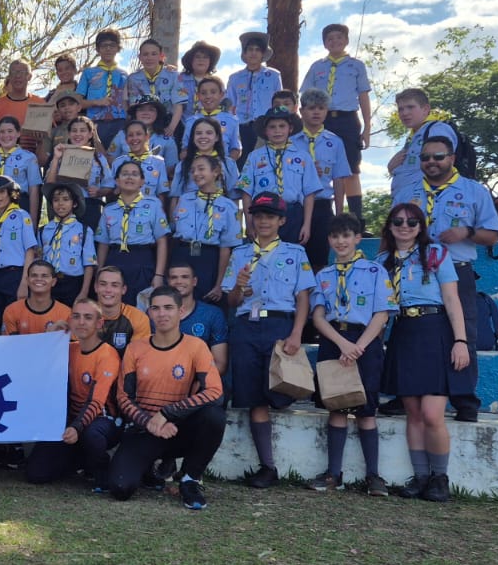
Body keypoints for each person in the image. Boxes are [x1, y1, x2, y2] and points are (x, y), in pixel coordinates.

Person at [398, 133, 498, 423]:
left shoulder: (473, 191)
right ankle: (405, 390)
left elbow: (492, 235)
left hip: (457, 267)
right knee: (410, 330)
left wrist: (465, 232)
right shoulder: (409, 191)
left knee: (463, 331)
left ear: (452, 158)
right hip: (414, 270)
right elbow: (392, 228)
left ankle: (464, 398)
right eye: (425, 157)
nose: (431, 162)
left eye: (438, 157)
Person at [220, 192, 315, 489]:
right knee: (253, 397)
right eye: (258, 216)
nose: (263, 221)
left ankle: (282, 400)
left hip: (279, 323)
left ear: (281, 221)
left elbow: (303, 297)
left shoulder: (295, 253)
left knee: (278, 389)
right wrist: (238, 286)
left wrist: (297, 333)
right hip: (248, 325)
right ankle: (267, 466)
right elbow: (233, 301)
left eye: (270, 216)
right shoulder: (240, 254)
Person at [378, 203, 471, 502]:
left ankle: (440, 477)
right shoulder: (381, 261)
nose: (405, 226)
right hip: (404, 331)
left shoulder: (437, 254)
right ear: (390, 226)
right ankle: (420, 477)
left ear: (421, 226)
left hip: (434, 330)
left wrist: (461, 341)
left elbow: (452, 299)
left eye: (412, 221)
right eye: (398, 221)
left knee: (433, 414)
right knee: (414, 413)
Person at [107, 287, 226, 509]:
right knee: (120, 489)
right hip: (145, 429)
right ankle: (153, 468)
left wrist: (167, 413)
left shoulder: (196, 346)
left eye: (168, 308)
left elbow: (214, 392)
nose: (162, 314)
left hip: (179, 429)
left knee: (214, 416)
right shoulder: (135, 349)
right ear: (149, 313)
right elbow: (123, 398)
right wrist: (148, 422)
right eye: (156, 308)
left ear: (181, 311)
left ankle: (190, 480)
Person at [309, 213, 395, 495]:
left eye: (346, 235)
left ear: (358, 238)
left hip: (365, 341)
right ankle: (334, 474)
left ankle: (373, 475)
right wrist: (343, 345)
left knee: (366, 409)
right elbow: (319, 317)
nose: (340, 241)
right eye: (335, 236)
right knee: (336, 406)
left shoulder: (375, 271)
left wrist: (359, 346)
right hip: (334, 339)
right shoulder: (323, 275)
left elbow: (382, 314)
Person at [25, 297, 120, 487]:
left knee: (91, 435)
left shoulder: (107, 354)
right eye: (76, 316)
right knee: (36, 474)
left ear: (99, 323)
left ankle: (101, 467)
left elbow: (97, 401)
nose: (81, 322)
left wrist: (76, 427)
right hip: (70, 421)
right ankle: (80, 459)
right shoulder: (69, 349)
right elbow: (38, 366)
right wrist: (51, 336)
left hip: (101, 421)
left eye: (88, 317)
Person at [299, 23, 371, 218]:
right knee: (318, 163)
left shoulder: (356, 66)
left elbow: (364, 97)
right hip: (321, 119)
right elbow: (305, 94)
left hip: (347, 119)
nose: (335, 41)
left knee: (351, 168)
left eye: (339, 37)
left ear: (346, 40)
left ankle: (355, 217)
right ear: (324, 43)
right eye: (330, 38)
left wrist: (367, 128)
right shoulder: (317, 67)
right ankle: (324, 212)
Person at [236, 105, 321, 245]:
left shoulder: (303, 157)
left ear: (290, 129)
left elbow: (309, 194)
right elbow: (246, 193)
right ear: (265, 131)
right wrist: (250, 224)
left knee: (291, 257)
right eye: (272, 127)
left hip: (293, 214)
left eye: (282, 126)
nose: (277, 131)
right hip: (263, 215)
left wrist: (306, 224)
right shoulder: (254, 157)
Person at [96, 160, 170, 304]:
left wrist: (159, 274)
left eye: (135, 174)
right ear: (117, 180)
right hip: (115, 259)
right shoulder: (109, 209)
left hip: (142, 261)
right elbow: (103, 244)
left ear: (142, 181)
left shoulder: (153, 205)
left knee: (141, 306)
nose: (129, 177)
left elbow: (162, 241)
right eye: (125, 174)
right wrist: (99, 272)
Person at [168, 155, 241, 302]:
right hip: (182, 254)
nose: (196, 174)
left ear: (215, 172)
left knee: (206, 300)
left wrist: (219, 284)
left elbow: (226, 248)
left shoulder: (229, 207)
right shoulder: (184, 199)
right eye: (193, 170)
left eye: (201, 169)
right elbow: (175, 232)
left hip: (209, 259)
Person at [0, 175, 40, 322]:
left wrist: (25, 283)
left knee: (14, 320)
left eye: (2, 192)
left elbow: (30, 250)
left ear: (10, 194)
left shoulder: (21, 215)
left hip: (15, 275)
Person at [387, 87, 461, 204]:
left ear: (425, 109)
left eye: (410, 107)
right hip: (405, 201)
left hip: (426, 203)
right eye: (401, 109)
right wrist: (392, 168)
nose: (404, 113)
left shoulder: (437, 129)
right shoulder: (413, 137)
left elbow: (442, 165)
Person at [46, 115, 113, 232]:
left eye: (83, 130)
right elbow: (50, 183)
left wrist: (99, 192)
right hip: (65, 208)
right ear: (69, 134)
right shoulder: (61, 155)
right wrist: (56, 158)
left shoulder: (99, 158)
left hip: (90, 206)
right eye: (74, 131)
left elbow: (109, 185)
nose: (78, 134)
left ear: (90, 134)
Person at [168, 117, 242, 215]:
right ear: (193, 137)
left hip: (219, 217)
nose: (203, 136)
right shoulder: (184, 164)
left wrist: (236, 224)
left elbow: (234, 198)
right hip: (189, 219)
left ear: (217, 137)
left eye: (209, 133)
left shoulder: (228, 164)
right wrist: (175, 225)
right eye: (198, 133)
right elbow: (175, 198)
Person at [164, 264, 229, 376]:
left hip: (200, 383)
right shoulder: (156, 314)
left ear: (194, 281)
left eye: (185, 277)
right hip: (164, 381)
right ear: (168, 282)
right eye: (174, 277)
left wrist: (191, 382)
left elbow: (220, 364)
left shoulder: (212, 314)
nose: (179, 281)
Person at [39, 183, 95, 306]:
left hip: (73, 284)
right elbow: (38, 258)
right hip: (48, 283)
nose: (60, 204)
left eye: (65, 199)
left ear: (74, 203)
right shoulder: (44, 230)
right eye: (56, 200)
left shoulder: (84, 231)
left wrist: (84, 292)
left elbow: (89, 264)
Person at [227, 32, 282, 153]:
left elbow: (279, 103)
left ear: (262, 54)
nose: (253, 53)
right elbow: (229, 105)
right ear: (245, 54)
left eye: (257, 50)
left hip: (265, 127)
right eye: (250, 49)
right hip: (242, 127)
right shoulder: (235, 78)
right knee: (242, 163)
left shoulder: (274, 75)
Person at [76, 27, 130, 148]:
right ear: (97, 49)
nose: (108, 49)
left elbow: (127, 101)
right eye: (104, 45)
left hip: (119, 122)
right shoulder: (88, 73)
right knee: (96, 156)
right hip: (95, 122)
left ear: (118, 48)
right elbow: (77, 102)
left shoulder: (124, 75)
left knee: (117, 158)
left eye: (112, 45)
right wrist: (97, 102)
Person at [0, 59, 43, 152]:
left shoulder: (40, 103)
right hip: (2, 160)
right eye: (13, 72)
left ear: (29, 76)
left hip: (32, 159)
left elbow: (50, 134)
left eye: (22, 72)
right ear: (9, 77)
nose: (17, 76)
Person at [0, 116, 43, 216]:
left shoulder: (29, 157)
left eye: (10, 131)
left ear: (18, 133)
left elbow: (34, 192)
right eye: (2, 132)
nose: (6, 135)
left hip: (19, 205)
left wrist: (32, 222)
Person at [124, 39, 180, 136]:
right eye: (145, 54)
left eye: (154, 54)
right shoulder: (133, 78)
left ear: (161, 56)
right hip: (142, 124)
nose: (149, 58)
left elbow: (178, 104)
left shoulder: (174, 76)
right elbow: (132, 106)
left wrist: (171, 127)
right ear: (140, 57)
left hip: (169, 123)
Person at [2, 260, 71, 335]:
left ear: (53, 282)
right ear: (27, 280)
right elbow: (10, 345)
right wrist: (49, 336)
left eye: (44, 276)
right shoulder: (12, 311)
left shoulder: (66, 313)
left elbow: (71, 345)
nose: (39, 279)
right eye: (34, 275)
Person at [93, 266, 150, 354]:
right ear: (96, 287)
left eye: (114, 285)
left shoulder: (139, 318)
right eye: (103, 284)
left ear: (123, 290)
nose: (108, 290)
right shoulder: (83, 316)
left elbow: (139, 357)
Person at [110, 120, 171, 199]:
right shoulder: (118, 163)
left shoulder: (158, 162)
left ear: (147, 137)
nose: (134, 138)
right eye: (130, 135)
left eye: (139, 134)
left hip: (150, 209)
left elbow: (161, 194)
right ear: (126, 140)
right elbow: (113, 192)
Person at [186, 76, 243, 160]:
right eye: (203, 93)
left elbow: (236, 149)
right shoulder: (190, 121)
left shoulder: (232, 120)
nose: (208, 96)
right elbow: (185, 149)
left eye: (213, 92)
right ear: (198, 96)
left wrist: (225, 165)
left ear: (221, 95)